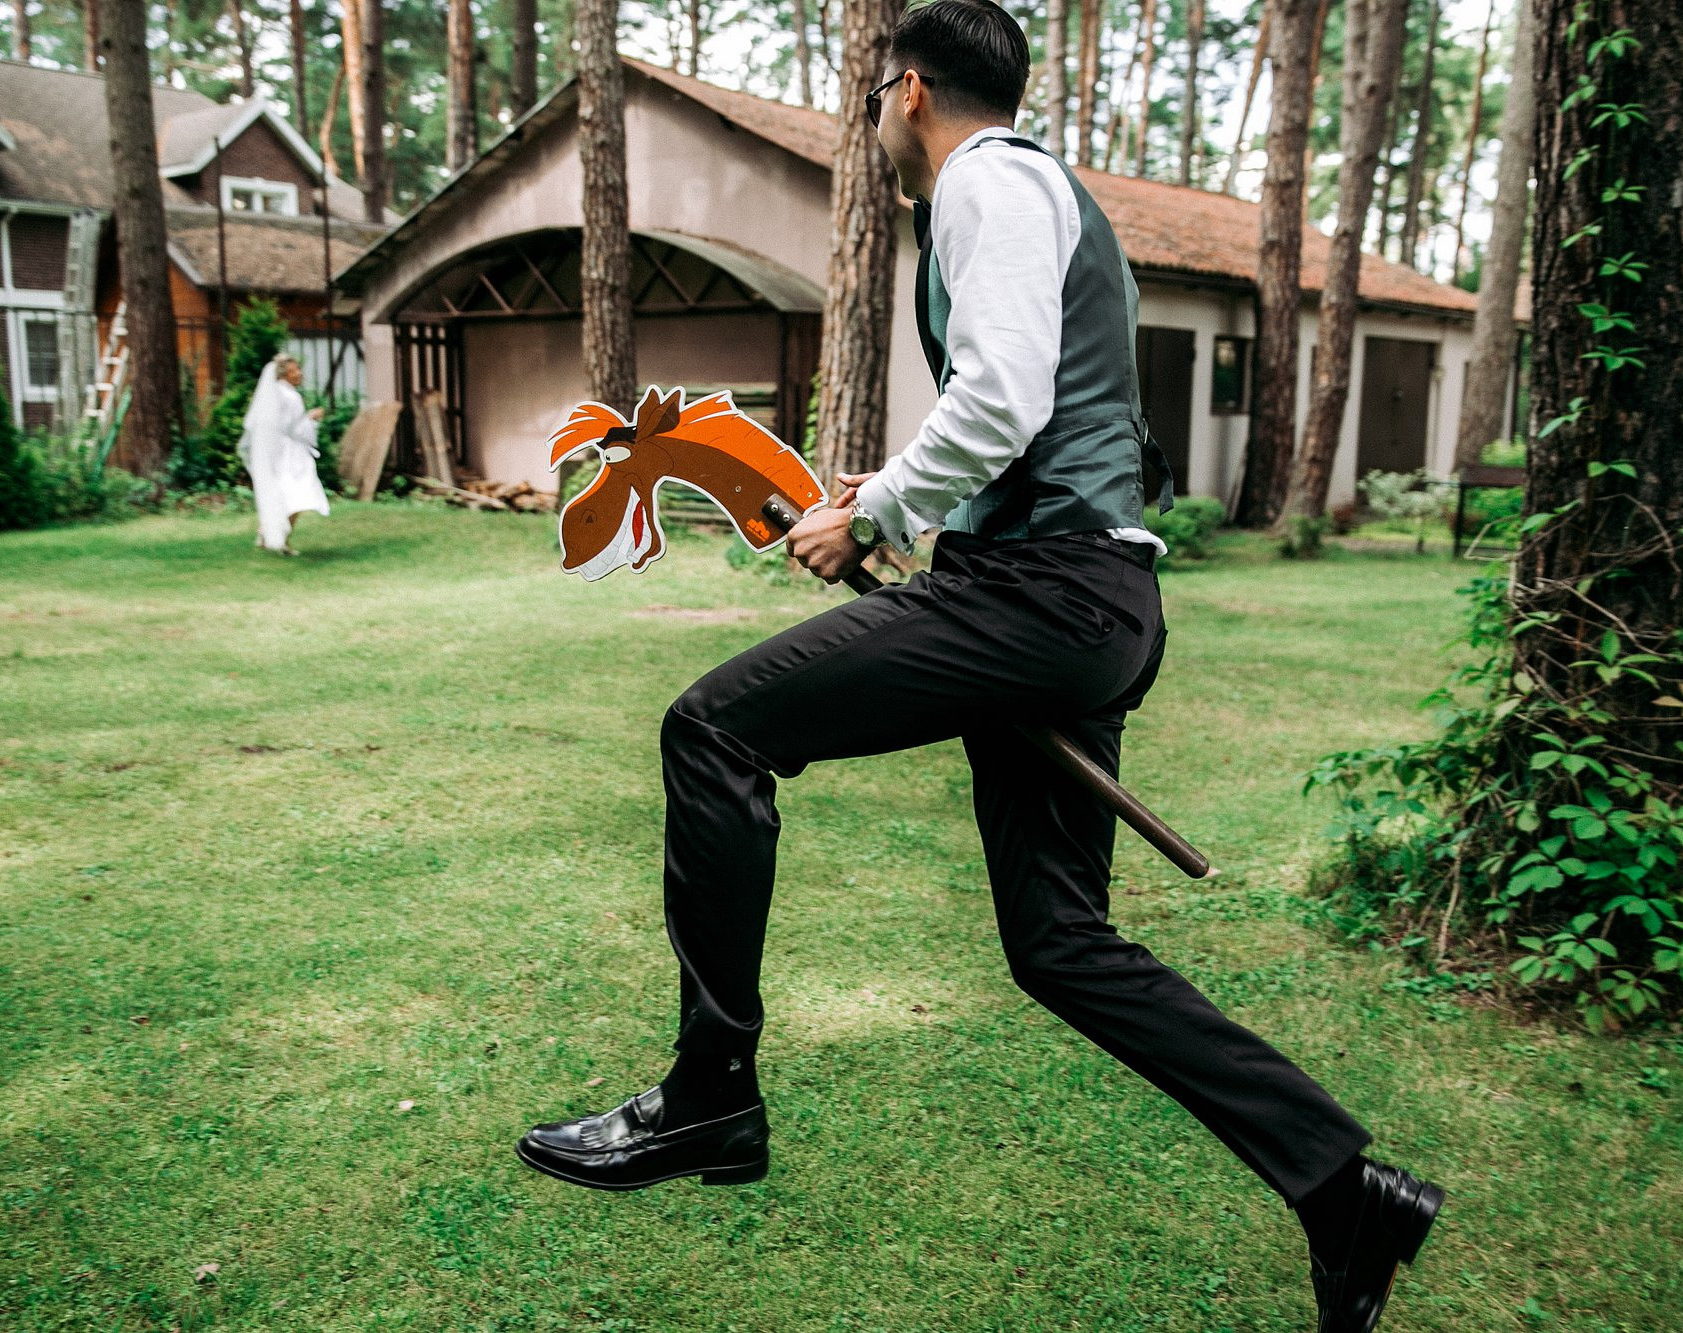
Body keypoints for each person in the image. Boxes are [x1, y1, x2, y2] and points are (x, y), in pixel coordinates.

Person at [515, 4, 1442, 1328]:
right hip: (1088, 595)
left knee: (714, 729)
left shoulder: (984, 184)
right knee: (1059, 942)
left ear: (908, 91)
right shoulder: (1042, 198)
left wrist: (876, 511)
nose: (876, 129)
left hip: (1045, 599)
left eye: (873, 102)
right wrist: (888, 496)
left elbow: (999, 393)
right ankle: (1345, 1190)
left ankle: (712, 1098)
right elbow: (1021, 412)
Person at [240, 352, 328, 556]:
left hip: (279, 451)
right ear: (285, 374)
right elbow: (293, 428)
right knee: (300, 495)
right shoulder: (290, 396)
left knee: (285, 494)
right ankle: (281, 539)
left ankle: (268, 532)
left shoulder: (275, 393)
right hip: (291, 453)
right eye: (295, 370)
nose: (300, 373)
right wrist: (312, 418)